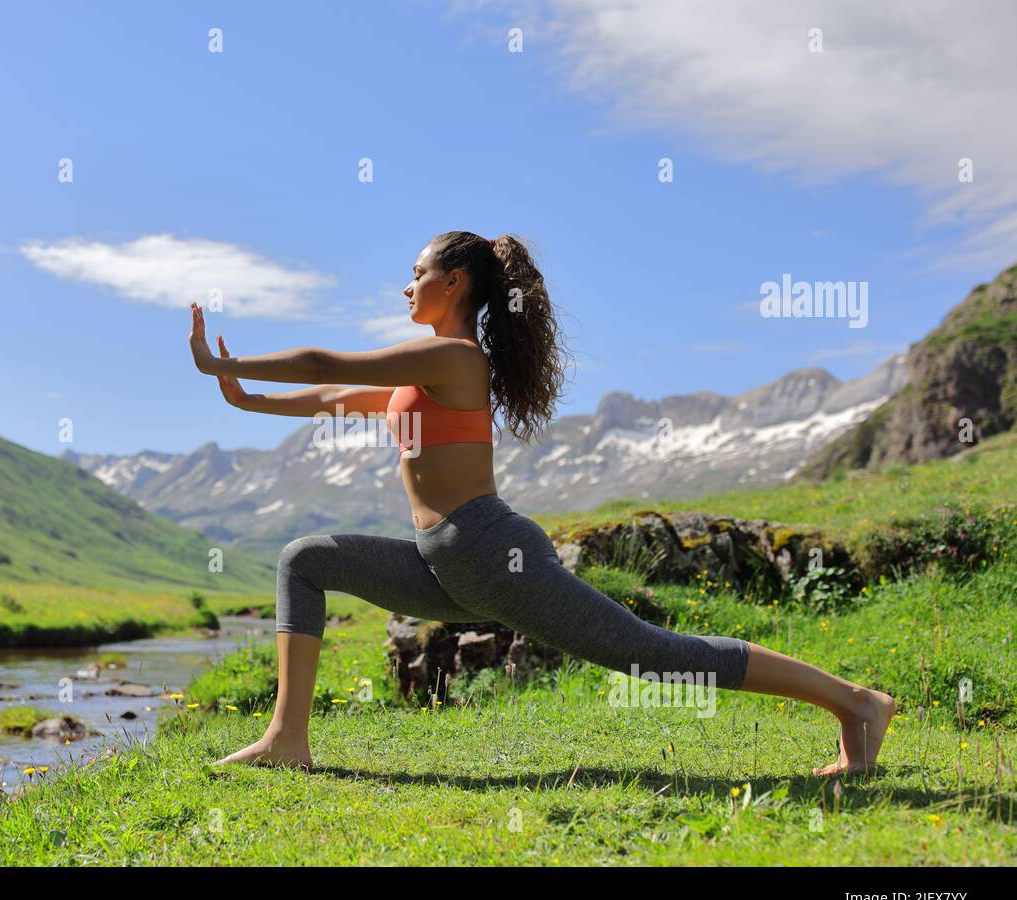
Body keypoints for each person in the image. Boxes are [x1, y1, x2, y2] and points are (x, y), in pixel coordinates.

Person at [187, 230, 896, 775]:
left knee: (654, 656)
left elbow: (324, 363)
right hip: (448, 569)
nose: (407, 287)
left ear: (453, 280)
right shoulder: (423, 374)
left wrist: (226, 362)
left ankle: (857, 702)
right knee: (305, 560)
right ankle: (287, 739)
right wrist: (248, 398)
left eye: (417, 274)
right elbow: (337, 395)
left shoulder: (456, 360)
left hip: (494, 556)